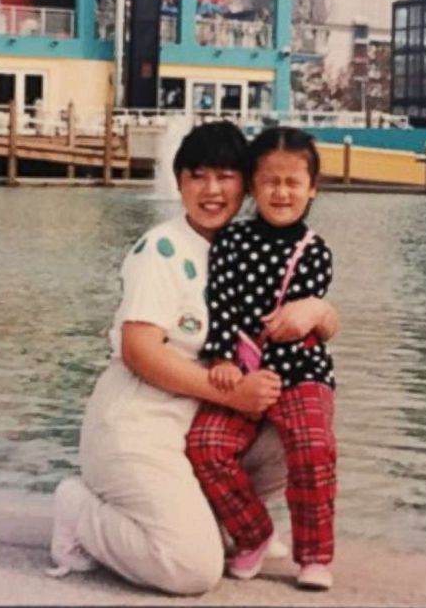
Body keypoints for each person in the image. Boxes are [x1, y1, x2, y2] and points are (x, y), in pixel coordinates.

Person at [49, 121, 338, 595]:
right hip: (141, 423)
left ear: (245, 182)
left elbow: (296, 322)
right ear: (178, 181)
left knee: (307, 429)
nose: (211, 190)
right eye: (197, 176)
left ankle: (226, 526)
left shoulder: (245, 246)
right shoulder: (161, 250)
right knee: (191, 569)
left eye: (225, 176)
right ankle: (79, 512)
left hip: (199, 422)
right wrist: (234, 393)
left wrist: (320, 311)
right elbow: (138, 351)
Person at [185, 127, 337, 591]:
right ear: (252, 184)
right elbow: (221, 304)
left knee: (313, 448)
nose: (282, 192)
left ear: (312, 188)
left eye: (293, 183)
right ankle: (253, 533)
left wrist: (308, 323)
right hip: (242, 365)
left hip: (299, 369)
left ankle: (314, 555)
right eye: (270, 181)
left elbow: (306, 321)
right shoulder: (230, 242)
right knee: (206, 445)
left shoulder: (314, 251)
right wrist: (222, 358)